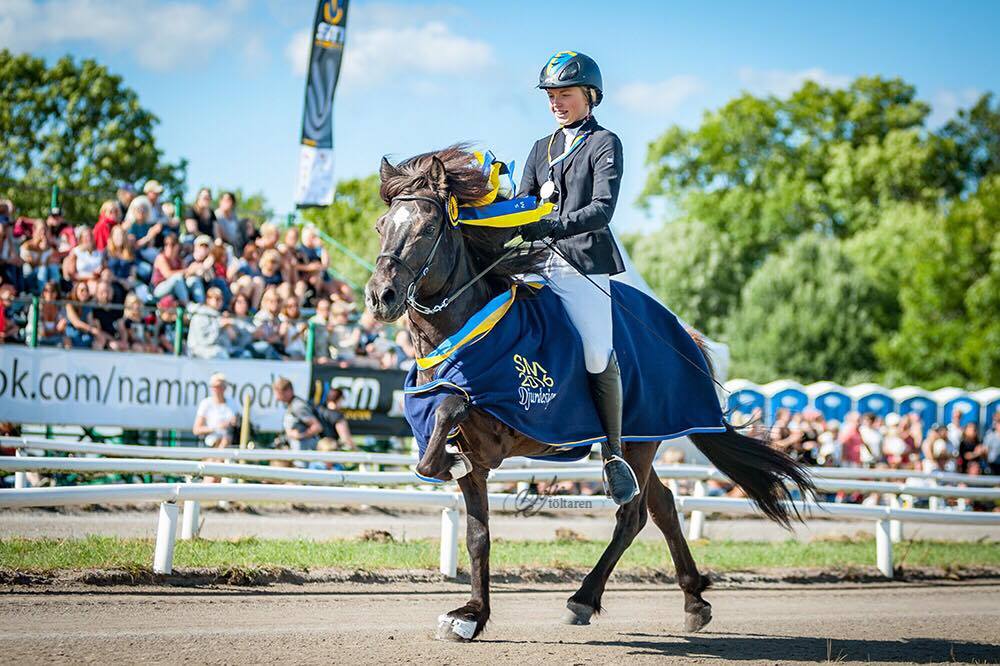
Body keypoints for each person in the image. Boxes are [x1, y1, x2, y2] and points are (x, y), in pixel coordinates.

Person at [515, 50, 636, 504]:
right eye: (551, 95)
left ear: (589, 96)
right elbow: (520, 202)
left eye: (564, 93)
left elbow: (603, 208)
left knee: (594, 353)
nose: (556, 102)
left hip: (582, 262)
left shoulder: (605, 142)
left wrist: (552, 225)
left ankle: (613, 453)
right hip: (533, 262)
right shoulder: (538, 148)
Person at [273, 376, 322, 454]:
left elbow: (317, 427)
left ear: (288, 391)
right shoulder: (291, 404)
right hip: (298, 452)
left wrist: (301, 436)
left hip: (304, 455)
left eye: (279, 393)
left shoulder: (298, 406)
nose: (277, 398)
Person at [193, 373, 238, 449]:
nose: (217, 389)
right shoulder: (206, 403)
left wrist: (233, 423)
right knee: (222, 441)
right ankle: (217, 459)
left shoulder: (232, 403)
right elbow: (196, 430)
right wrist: (217, 428)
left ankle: (216, 459)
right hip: (211, 441)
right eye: (214, 386)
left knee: (226, 439)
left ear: (225, 388)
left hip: (230, 441)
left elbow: (236, 422)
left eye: (220, 386)